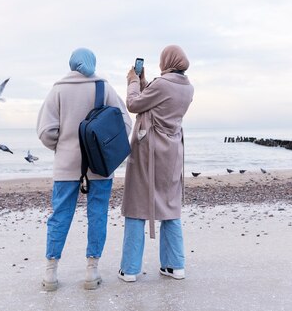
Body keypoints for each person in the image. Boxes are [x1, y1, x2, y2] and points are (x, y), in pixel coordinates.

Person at [37, 48, 132, 291]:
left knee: (60, 216)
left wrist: (62, 146)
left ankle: (50, 273)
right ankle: (92, 271)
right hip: (99, 163)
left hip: (66, 165)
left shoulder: (58, 89)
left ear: (72, 64)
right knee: (97, 214)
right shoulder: (103, 87)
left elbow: (46, 131)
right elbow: (124, 123)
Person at [118, 45, 194, 282]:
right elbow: (154, 102)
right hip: (172, 152)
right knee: (170, 206)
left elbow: (134, 105)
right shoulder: (187, 87)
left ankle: (130, 269)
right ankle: (175, 265)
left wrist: (132, 81)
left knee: (137, 203)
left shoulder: (161, 84)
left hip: (148, 152)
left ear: (167, 61)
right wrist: (144, 83)